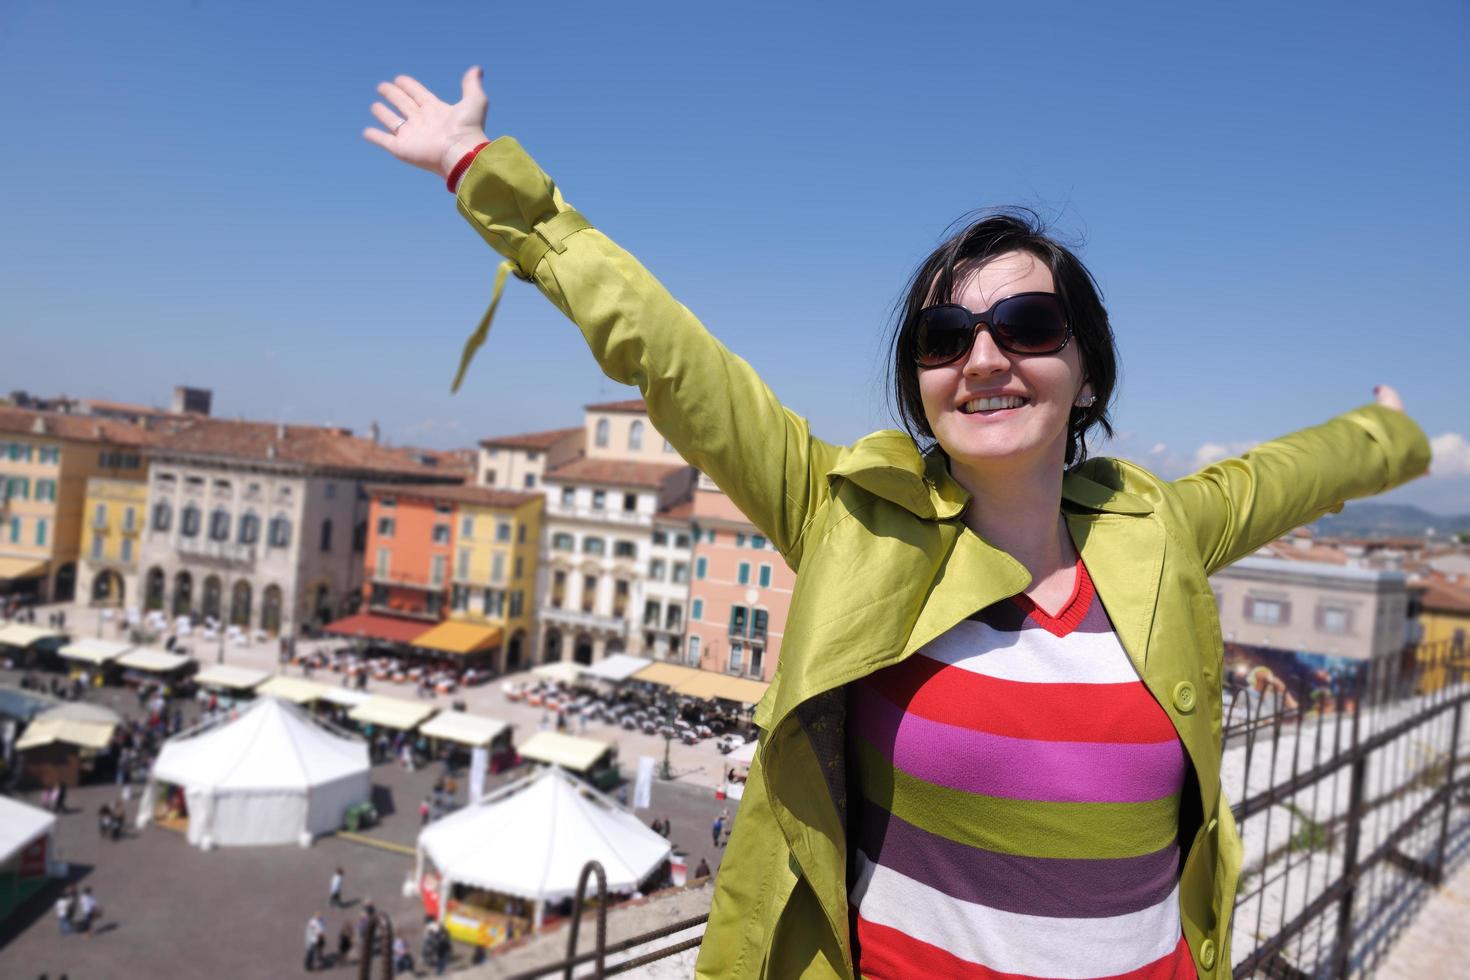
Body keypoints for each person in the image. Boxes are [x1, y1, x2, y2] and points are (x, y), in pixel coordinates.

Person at [364, 69, 1431, 980]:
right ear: (920, 378)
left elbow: (1286, 476)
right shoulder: (848, 522)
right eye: (943, 334)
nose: (983, 355)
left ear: (1085, 367)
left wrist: (1392, 437)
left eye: (1027, 323)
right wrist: (480, 168)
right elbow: (666, 352)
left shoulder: (1160, 530)